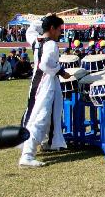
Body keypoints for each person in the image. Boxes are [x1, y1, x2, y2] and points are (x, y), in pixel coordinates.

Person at [20, 15, 73, 167]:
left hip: (38, 82)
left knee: (48, 114)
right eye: (59, 29)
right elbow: (46, 64)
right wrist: (61, 71)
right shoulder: (50, 44)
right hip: (45, 83)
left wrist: (43, 19)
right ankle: (27, 155)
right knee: (40, 117)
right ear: (52, 28)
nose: (60, 33)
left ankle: (47, 142)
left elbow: (30, 29)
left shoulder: (37, 40)